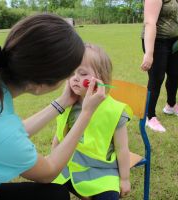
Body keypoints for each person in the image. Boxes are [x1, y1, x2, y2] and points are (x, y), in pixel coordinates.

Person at [0, 14, 106, 200]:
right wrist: (86, 112)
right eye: (69, 74)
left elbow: (7, 135)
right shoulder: (1, 130)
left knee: (55, 193)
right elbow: (48, 171)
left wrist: (62, 103)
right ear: (42, 84)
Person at [51, 44, 133, 200]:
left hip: (102, 173)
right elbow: (58, 136)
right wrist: (52, 160)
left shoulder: (114, 111)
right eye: (71, 72)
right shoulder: (67, 105)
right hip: (69, 167)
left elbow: (122, 149)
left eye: (82, 74)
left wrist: (124, 179)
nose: (75, 78)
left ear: (101, 77)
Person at [141, 0, 178, 133]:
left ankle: (171, 105)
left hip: (173, 40)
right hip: (157, 41)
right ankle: (149, 116)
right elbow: (149, 22)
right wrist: (149, 54)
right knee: (156, 78)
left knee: (175, 73)